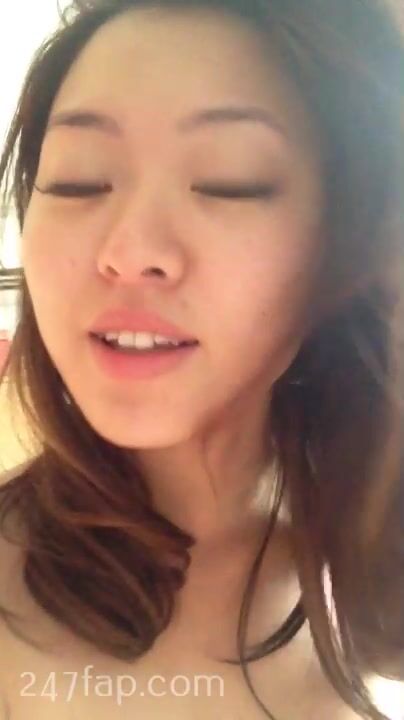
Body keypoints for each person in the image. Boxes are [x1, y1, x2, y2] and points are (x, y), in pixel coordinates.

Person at [0, 0, 403, 717]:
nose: (129, 251)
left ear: (347, 247)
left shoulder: (370, 556)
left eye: (229, 181)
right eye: (79, 180)